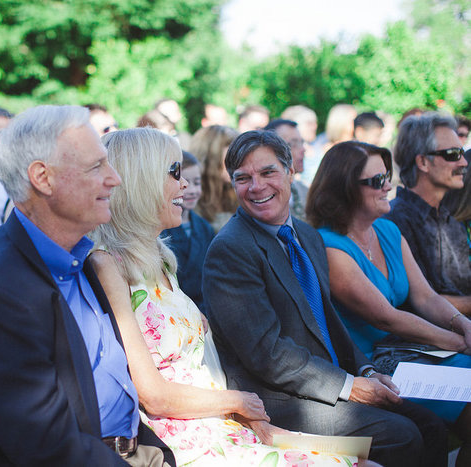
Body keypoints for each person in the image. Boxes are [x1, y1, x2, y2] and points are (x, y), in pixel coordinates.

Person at [90, 127, 360, 466]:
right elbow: (155, 396)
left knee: (362, 456)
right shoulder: (107, 266)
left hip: (224, 420)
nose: (185, 185)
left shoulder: (159, 259)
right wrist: (238, 403)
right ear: (141, 179)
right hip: (182, 437)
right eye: (174, 173)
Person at [0, 105, 174, 466]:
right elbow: (46, 449)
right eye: (97, 166)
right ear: (43, 178)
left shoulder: (78, 257)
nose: (114, 178)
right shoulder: (1, 293)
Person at [203, 130, 448, 467]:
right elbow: (267, 355)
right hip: (277, 400)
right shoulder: (231, 249)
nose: (256, 187)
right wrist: (351, 386)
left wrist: (366, 370)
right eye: (242, 178)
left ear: (291, 172)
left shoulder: (305, 235)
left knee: (431, 426)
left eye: (267, 172)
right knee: (403, 435)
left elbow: (327, 319)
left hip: (326, 382)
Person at [308, 140, 471, 466]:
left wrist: (464, 325)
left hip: (415, 352)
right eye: (377, 181)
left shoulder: (387, 229)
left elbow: (426, 297)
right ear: (345, 190)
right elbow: (387, 318)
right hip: (375, 366)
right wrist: (460, 342)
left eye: (387, 176)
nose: (389, 187)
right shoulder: (330, 246)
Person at [385, 113, 471, 316]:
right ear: (423, 162)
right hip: (428, 342)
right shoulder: (394, 223)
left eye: (461, 152)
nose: (463, 163)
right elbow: (420, 303)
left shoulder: (449, 221)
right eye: (452, 154)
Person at [160, 151, 214, 312]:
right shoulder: (162, 230)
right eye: (185, 181)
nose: (190, 190)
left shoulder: (205, 227)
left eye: (197, 182)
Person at [190, 125, 239, 232]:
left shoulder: (238, 193)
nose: (238, 165)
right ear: (211, 159)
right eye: (231, 159)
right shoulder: (190, 197)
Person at [264, 119, 307, 220]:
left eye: (302, 142)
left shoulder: (306, 192)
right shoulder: (260, 195)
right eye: (293, 144)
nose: (303, 149)